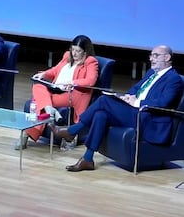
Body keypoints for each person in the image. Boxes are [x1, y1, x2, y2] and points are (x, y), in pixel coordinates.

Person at [50, 44, 184, 172]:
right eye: (151, 56)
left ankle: (73, 130)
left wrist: (137, 102)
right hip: (136, 112)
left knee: (104, 101)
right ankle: (87, 159)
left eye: (156, 56)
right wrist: (127, 97)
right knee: (101, 114)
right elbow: (136, 88)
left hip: (148, 118)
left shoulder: (173, 79)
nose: (151, 59)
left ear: (167, 58)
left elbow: (164, 102)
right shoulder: (151, 73)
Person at [15, 35, 99, 150]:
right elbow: (55, 71)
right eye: (73, 49)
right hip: (55, 88)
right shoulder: (66, 56)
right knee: (38, 86)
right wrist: (44, 74)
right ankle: (49, 109)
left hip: (72, 94)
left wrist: (72, 82)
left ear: (85, 52)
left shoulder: (90, 62)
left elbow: (90, 81)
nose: (74, 54)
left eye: (78, 51)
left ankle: (27, 133)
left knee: (38, 102)